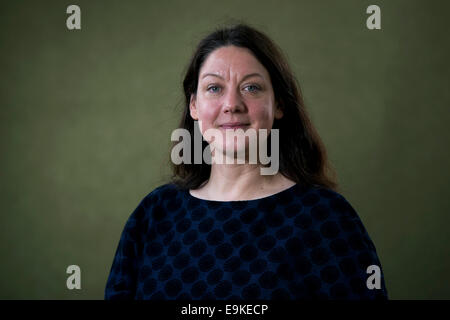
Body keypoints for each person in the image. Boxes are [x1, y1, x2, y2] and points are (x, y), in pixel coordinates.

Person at [104, 23, 388, 300]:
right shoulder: (153, 215)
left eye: (251, 87)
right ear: (193, 106)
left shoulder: (327, 219)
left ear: (278, 105)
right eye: (214, 88)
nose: (232, 104)